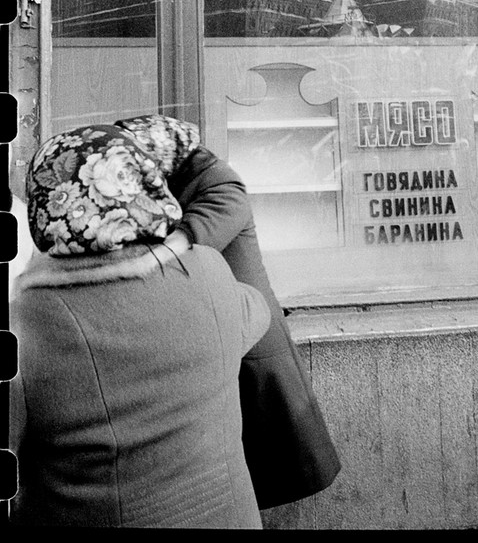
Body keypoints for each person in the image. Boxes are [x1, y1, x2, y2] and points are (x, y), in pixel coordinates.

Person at [10, 123, 271, 528]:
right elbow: (259, 309)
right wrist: (184, 155)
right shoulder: (208, 273)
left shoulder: (28, 322)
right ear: (145, 186)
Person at [116, 114, 341, 510]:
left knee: (259, 471)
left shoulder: (222, 183)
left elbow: (189, 241)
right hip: (214, 336)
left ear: (163, 155)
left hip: (249, 344)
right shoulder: (175, 184)